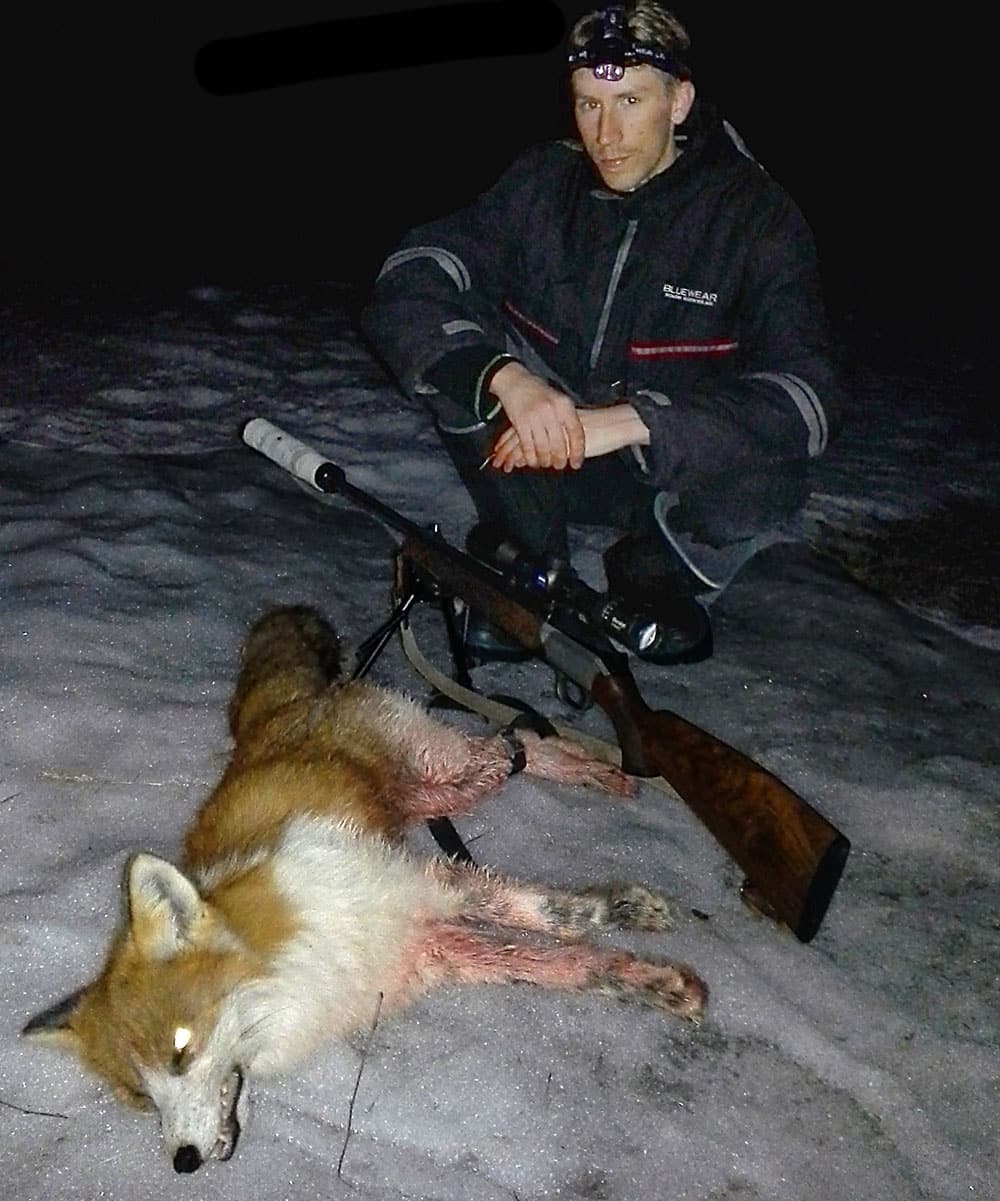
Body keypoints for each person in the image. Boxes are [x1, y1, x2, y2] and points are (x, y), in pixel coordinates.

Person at [361, 1, 842, 664]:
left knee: (772, 478)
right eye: (589, 103)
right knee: (459, 370)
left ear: (680, 102)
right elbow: (410, 277)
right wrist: (505, 377)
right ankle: (531, 571)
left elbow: (809, 398)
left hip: (664, 470)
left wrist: (637, 421)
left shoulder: (757, 219)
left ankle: (654, 575)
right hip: (541, 451)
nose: (606, 133)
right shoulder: (542, 183)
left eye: (630, 101)